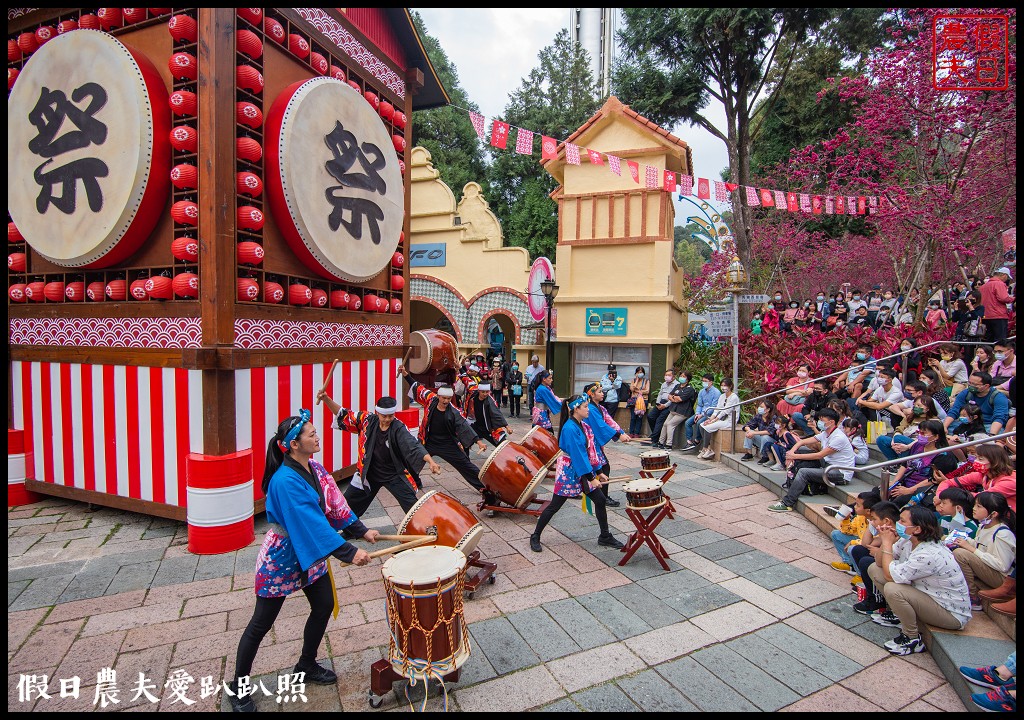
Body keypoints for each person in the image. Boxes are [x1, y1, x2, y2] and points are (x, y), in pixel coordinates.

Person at [230, 410, 380, 711]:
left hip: (310, 551)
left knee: (323, 604)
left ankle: (306, 664)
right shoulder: (284, 481)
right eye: (311, 434)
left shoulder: (314, 467)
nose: (317, 436)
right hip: (283, 554)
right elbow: (310, 523)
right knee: (261, 623)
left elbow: (335, 502)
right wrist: (349, 553)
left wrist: (361, 531)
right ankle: (238, 687)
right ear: (294, 445)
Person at [866, 506, 972, 656]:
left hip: (950, 613)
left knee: (892, 588)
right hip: (926, 595)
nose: (897, 524)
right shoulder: (908, 541)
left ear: (916, 529)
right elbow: (878, 562)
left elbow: (890, 576)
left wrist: (888, 544)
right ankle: (899, 614)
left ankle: (912, 638)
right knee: (874, 569)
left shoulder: (928, 553)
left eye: (902, 521)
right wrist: (885, 540)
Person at [318, 394, 441, 517]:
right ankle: (349, 531)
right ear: (377, 412)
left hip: (393, 474)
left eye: (391, 416)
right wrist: (326, 399)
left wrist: (431, 461)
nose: (387, 419)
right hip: (368, 473)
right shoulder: (367, 420)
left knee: (412, 506)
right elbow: (344, 414)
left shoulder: (398, 428)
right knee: (349, 504)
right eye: (384, 416)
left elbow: (413, 445)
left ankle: (422, 530)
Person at [529, 395, 623, 553]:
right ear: (575, 409)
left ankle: (605, 536)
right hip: (569, 472)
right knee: (555, 506)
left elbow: (592, 451)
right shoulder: (570, 428)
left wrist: (599, 471)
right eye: (585, 407)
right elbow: (578, 455)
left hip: (584, 470)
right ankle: (535, 535)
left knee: (600, 500)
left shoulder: (584, 425)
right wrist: (592, 478)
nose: (588, 409)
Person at [400, 369, 490, 497]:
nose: (446, 401)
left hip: (448, 444)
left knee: (465, 464)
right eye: (444, 398)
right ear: (438, 396)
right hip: (428, 441)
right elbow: (418, 387)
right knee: (412, 460)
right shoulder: (430, 400)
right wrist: (405, 374)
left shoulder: (453, 412)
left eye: (449, 398)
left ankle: (484, 486)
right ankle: (415, 481)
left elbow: (464, 426)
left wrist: (478, 441)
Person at [768, 408, 856, 512]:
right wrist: (791, 453)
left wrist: (794, 457)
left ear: (831, 422)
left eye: (822, 420)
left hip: (840, 473)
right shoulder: (826, 433)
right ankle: (792, 483)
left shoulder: (838, 437)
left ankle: (787, 503)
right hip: (828, 465)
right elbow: (801, 442)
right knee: (800, 451)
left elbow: (819, 455)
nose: (819, 422)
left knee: (803, 472)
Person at [952, 491, 1017, 610]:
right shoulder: (982, 526)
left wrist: (971, 548)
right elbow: (978, 544)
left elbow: (1002, 566)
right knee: (957, 549)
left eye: (979, 506)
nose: (974, 509)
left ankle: (973, 598)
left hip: (1002, 578)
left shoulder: (1002, 534)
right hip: (990, 570)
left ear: (993, 514)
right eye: (975, 505)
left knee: (961, 554)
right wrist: (960, 540)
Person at [582, 382, 633, 506]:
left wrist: (621, 433)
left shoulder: (600, 407)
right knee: (602, 468)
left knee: (600, 468)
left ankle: (599, 495)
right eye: (599, 391)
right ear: (592, 395)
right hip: (590, 443)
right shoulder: (591, 409)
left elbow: (610, 422)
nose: (602, 393)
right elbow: (601, 425)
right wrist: (618, 435)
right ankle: (601, 497)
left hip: (595, 443)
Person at [885, 419, 949, 509]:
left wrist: (909, 490)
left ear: (936, 437)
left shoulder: (943, 455)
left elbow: (932, 480)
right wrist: (894, 482)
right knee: (880, 491)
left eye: (924, 433)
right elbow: (905, 464)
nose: (920, 435)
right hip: (905, 482)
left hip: (920, 489)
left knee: (896, 503)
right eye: (919, 432)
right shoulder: (917, 445)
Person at [934, 443, 1016, 511]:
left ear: (995, 462)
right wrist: (939, 496)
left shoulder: (1009, 482)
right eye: (976, 457)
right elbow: (947, 482)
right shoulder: (983, 475)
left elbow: (980, 497)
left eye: (980, 459)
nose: (975, 461)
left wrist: (945, 498)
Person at [944, 371, 1011, 437]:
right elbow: (954, 410)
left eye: (975, 384)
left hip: (988, 424)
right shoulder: (966, 393)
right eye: (969, 383)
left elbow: (999, 417)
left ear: (986, 386)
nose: (971, 386)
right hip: (967, 422)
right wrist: (944, 427)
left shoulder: (998, 397)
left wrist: (991, 436)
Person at [830, 489, 879, 575]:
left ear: (868, 511)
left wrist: (853, 542)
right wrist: (846, 519)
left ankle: (860, 574)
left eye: (858, 505)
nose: (855, 507)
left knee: (852, 548)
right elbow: (849, 531)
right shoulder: (860, 517)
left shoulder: (878, 522)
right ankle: (849, 564)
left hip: (869, 548)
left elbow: (871, 542)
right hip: (860, 541)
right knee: (836, 534)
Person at [696, 378, 740, 460]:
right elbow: (717, 409)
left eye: (725, 385)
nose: (723, 387)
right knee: (701, 425)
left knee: (707, 427)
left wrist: (713, 421)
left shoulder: (734, 397)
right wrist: (710, 419)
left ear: (730, 386)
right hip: (721, 419)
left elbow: (725, 411)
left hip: (729, 421)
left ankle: (705, 448)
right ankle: (708, 448)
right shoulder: (722, 396)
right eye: (722, 385)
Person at [656, 370, 696, 449]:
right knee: (665, 424)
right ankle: (660, 442)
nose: (681, 378)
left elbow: (680, 399)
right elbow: (669, 396)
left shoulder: (689, 389)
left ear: (688, 379)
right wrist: (674, 398)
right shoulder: (677, 386)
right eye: (681, 376)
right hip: (673, 410)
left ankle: (669, 444)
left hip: (682, 412)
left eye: (684, 376)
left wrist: (674, 397)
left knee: (670, 424)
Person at [682, 373, 721, 452]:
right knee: (688, 423)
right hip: (701, 413)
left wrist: (702, 415)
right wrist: (697, 414)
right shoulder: (701, 391)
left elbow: (714, 407)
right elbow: (699, 405)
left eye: (706, 381)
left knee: (699, 422)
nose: (704, 383)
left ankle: (697, 440)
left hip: (710, 414)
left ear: (711, 382)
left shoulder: (716, 393)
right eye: (703, 381)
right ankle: (689, 442)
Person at [979, 266, 1014, 343]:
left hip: (986, 316)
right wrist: (1013, 298)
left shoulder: (983, 286)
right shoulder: (999, 284)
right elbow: (1003, 298)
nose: (1007, 279)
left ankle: (988, 354)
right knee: (1000, 340)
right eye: (1007, 277)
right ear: (1004, 275)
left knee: (989, 339)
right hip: (998, 315)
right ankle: (998, 354)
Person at [467, 382, 509, 447]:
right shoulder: (473, 397)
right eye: (483, 392)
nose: (485, 394)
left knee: (502, 445)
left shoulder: (490, 401)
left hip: (488, 427)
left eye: (487, 392)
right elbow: (466, 379)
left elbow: (497, 414)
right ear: (479, 391)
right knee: (464, 441)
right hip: (475, 425)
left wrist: (507, 427)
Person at [647, 368, 681, 445]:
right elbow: (660, 394)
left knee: (660, 420)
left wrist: (665, 405)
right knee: (651, 416)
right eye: (666, 375)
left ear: (674, 377)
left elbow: (673, 398)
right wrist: (658, 403)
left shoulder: (677, 385)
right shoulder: (664, 384)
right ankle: (656, 434)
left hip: (670, 404)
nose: (667, 377)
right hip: (661, 402)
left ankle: (655, 439)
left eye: (669, 375)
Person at [627, 366, 650, 437]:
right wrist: (636, 381)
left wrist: (637, 391)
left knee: (639, 417)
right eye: (638, 372)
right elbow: (631, 389)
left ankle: (637, 433)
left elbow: (647, 391)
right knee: (633, 417)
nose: (640, 374)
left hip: (643, 400)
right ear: (636, 373)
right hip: (634, 400)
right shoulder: (633, 380)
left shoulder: (646, 381)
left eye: (641, 372)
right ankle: (631, 432)